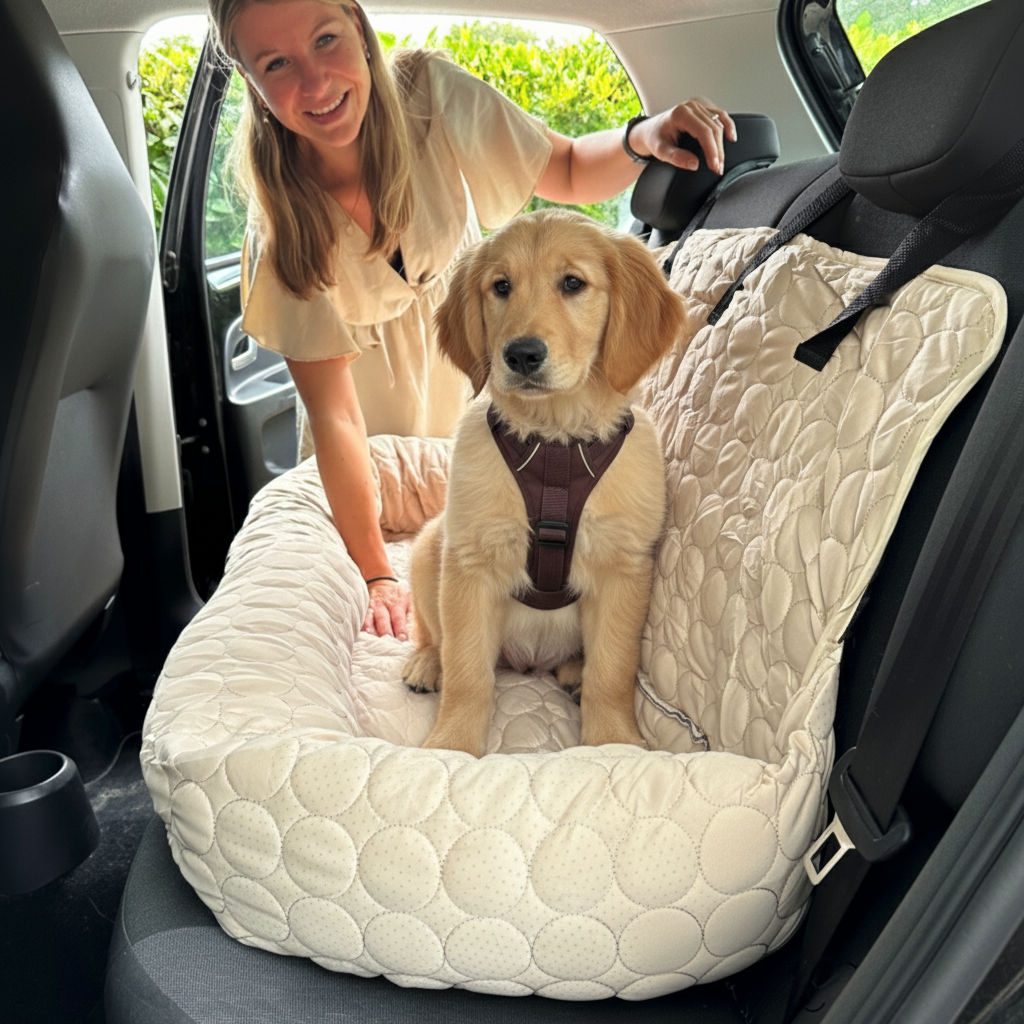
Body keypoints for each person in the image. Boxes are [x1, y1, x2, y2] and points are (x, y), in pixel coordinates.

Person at [209, 0, 737, 641]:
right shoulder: (283, 232)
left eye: (326, 39)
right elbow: (336, 417)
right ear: (251, 82)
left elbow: (566, 168)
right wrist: (378, 571)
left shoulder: (430, 95)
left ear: (358, 24)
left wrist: (641, 138)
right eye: (277, 63)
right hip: (366, 455)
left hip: (476, 408)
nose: (316, 82)